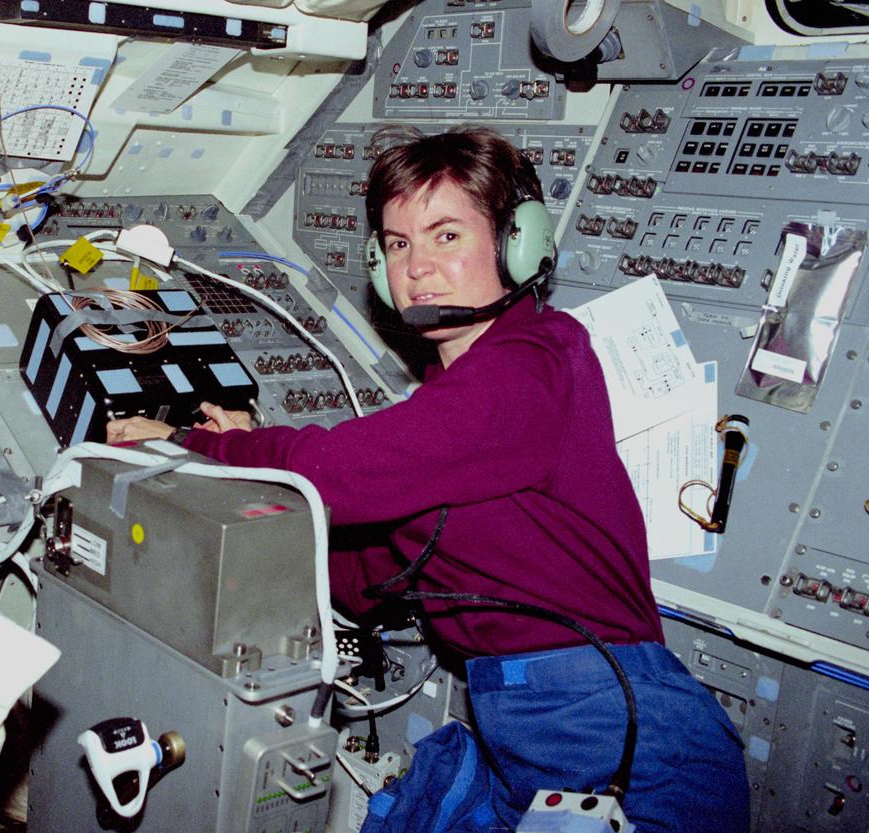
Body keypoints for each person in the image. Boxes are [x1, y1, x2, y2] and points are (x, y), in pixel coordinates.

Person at [105, 124, 748, 832]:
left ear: (517, 243)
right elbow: (368, 575)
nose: (417, 267)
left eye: (446, 236)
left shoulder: (532, 364)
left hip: (618, 733)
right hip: (529, 728)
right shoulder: (450, 408)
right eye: (398, 244)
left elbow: (339, 472)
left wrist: (195, 442)